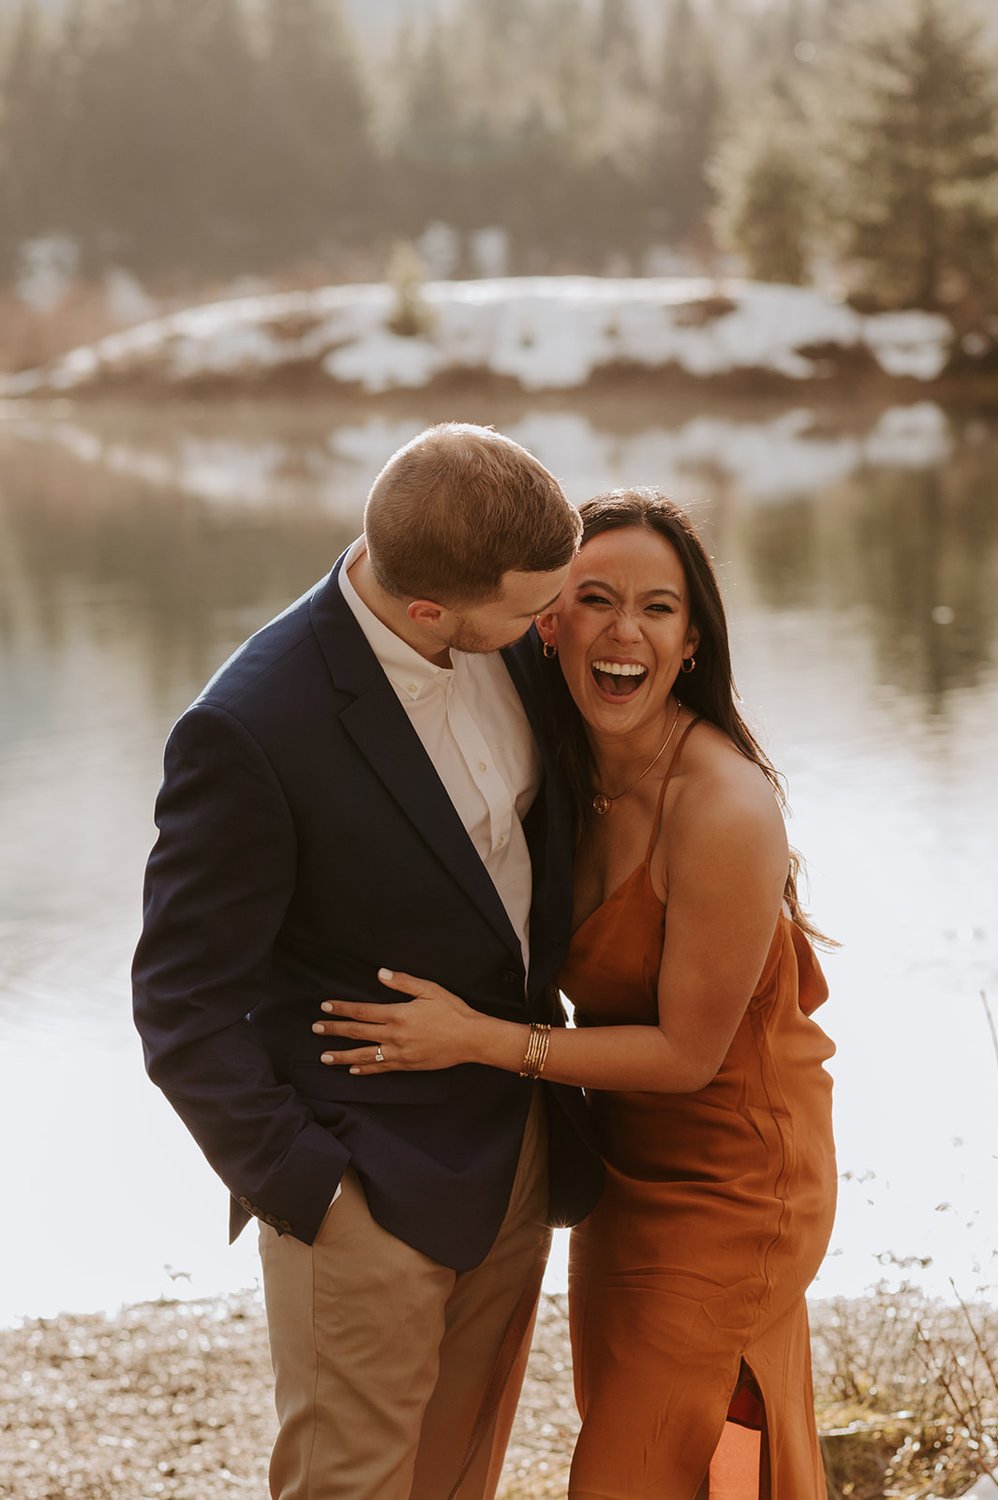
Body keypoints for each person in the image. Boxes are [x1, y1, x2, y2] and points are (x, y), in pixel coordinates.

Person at [314, 489, 837, 1499]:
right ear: (546, 621)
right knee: (696, 1447)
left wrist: (477, 1039)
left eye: (657, 607)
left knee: (629, 1468)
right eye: (593, 597)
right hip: (623, 1164)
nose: (622, 629)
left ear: (691, 642)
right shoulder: (550, 767)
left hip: (738, 1178)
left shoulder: (721, 806)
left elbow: (687, 1056)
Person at [132, 422, 605, 1500]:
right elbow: (180, 1007)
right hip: (365, 1183)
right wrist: (314, 1190)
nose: (557, 624)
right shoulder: (251, 729)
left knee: (458, 1478)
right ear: (432, 610)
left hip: (517, 1142)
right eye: (537, 608)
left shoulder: (509, 638)